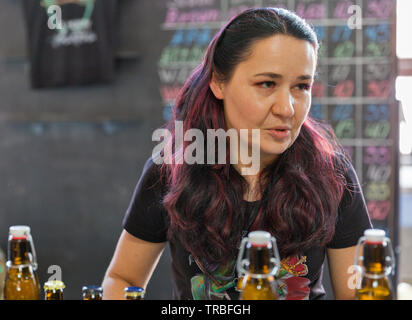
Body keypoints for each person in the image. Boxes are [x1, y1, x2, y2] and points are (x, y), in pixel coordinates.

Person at [102, 7, 372, 300]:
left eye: (301, 86)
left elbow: (361, 292)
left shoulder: (331, 172)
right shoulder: (171, 170)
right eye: (266, 84)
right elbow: (122, 278)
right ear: (219, 81)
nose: (287, 108)